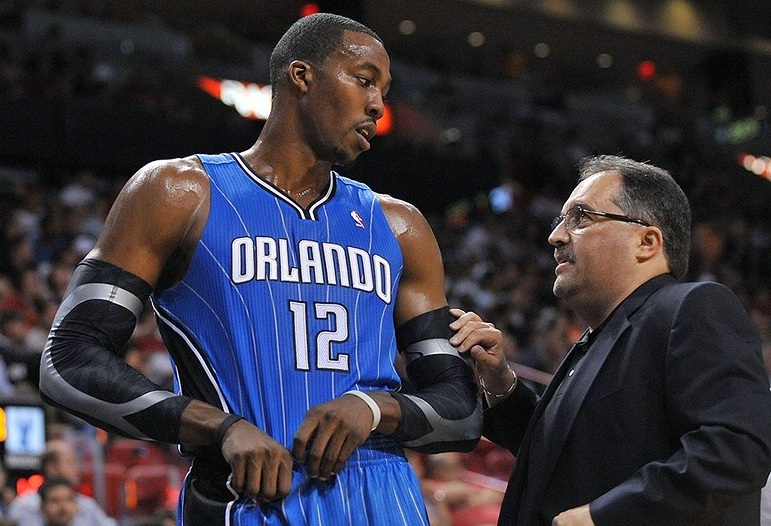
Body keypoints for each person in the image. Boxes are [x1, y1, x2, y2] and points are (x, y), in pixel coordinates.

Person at [39, 12, 482, 526]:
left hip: (386, 502)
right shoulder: (178, 193)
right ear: (301, 76)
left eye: (384, 90)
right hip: (247, 499)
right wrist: (218, 427)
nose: (378, 105)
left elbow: (461, 408)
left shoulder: (401, 226)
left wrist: (374, 407)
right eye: (364, 80)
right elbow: (69, 360)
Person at [449, 155, 771, 525]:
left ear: (646, 241)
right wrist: (500, 382)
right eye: (559, 220)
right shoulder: (600, 336)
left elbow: (737, 449)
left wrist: (603, 517)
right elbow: (564, 458)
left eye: (580, 217)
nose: (556, 236)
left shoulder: (694, 308)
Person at [8, 439, 117, 526]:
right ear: (51, 467)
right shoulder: (26, 506)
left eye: (68, 500)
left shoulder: (86, 504)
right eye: (70, 463)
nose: (77, 469)